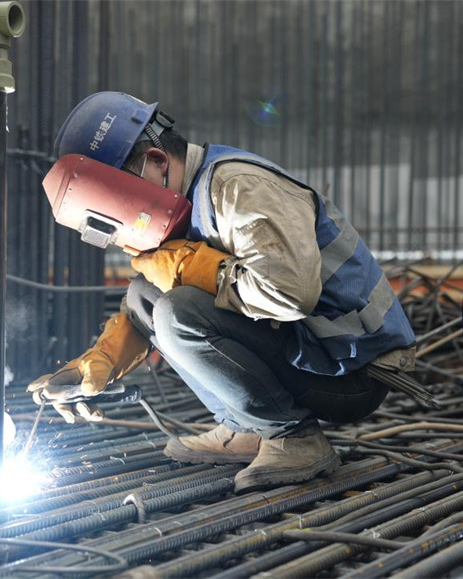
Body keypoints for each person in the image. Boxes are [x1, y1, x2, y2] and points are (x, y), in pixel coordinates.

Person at [29, 92, 416, 494]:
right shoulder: (191, 197)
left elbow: (290, 293)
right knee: (147, 293)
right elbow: (146, 302)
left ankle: (292, 436)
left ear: (156, 163)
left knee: (178, 310)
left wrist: (194, 268)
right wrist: (103, 359)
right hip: (312, 353)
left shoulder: (237, 188)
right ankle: (246, 427)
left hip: (352, 371)